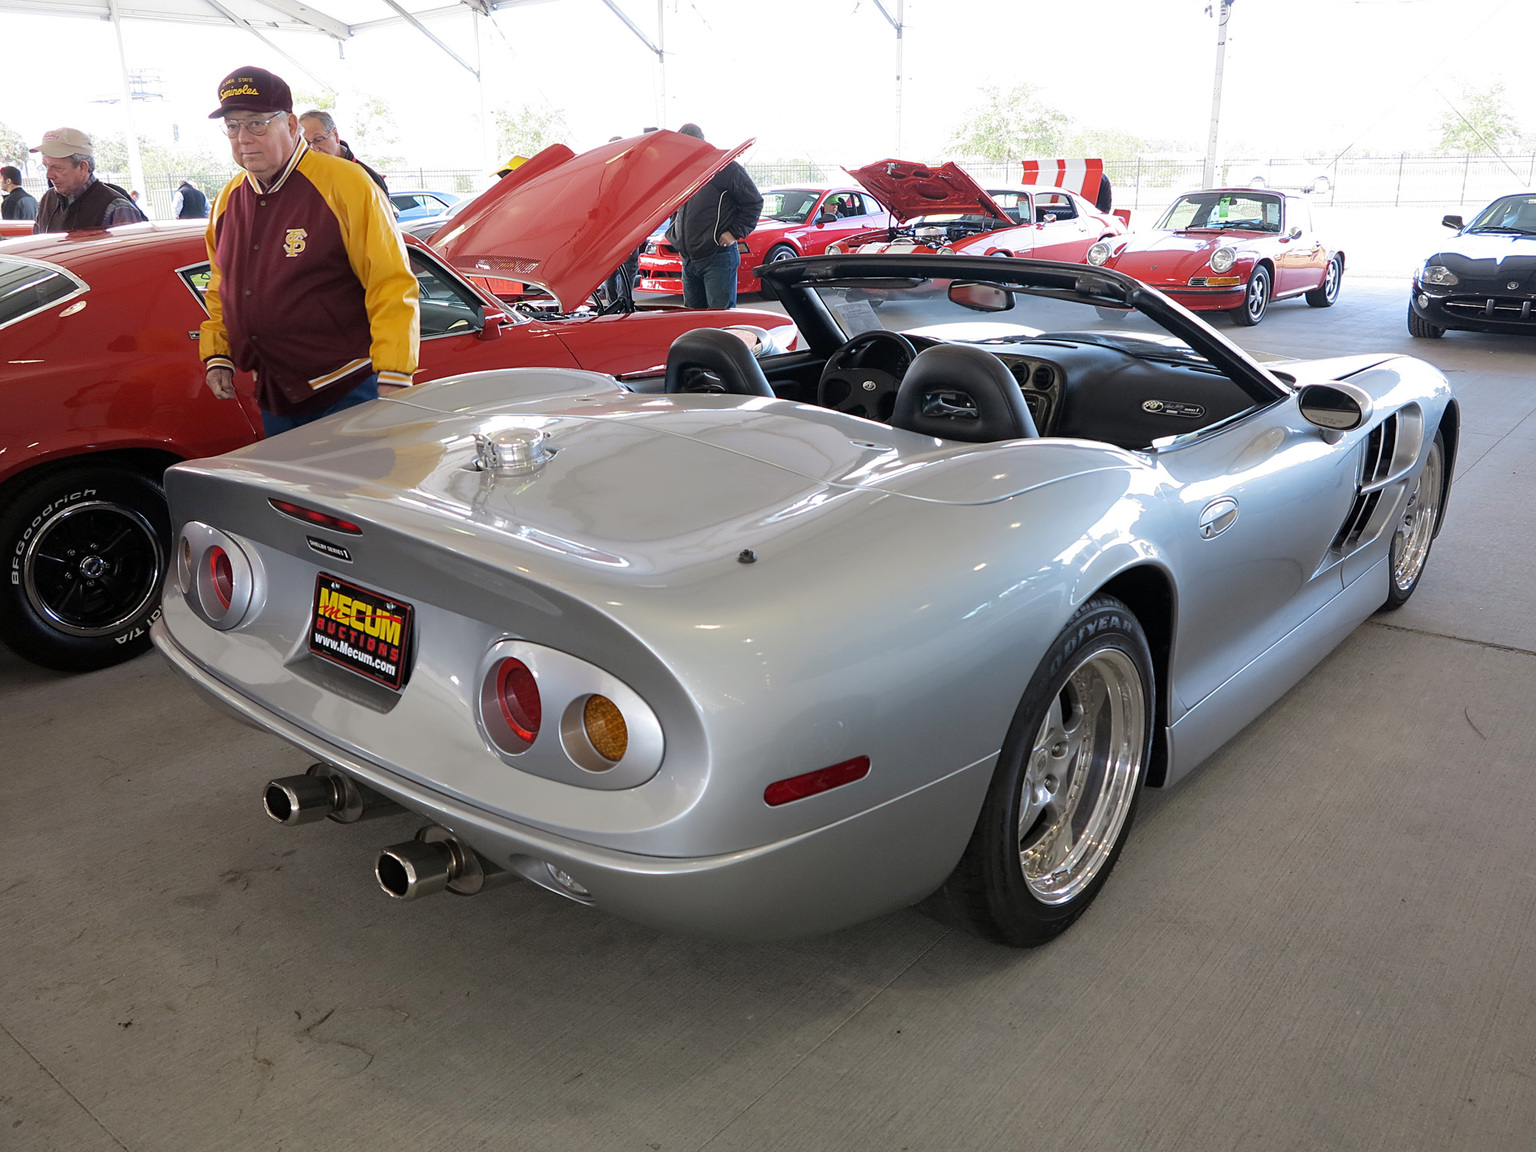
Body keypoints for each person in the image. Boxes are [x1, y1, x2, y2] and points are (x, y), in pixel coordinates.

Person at [200, 66, 419, 436]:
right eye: (233, 126)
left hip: (349, 390)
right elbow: (221, 286)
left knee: (354, 492)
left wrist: (395, 371)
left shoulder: (347, 183)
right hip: (274, 392)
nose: (243, 138)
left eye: (256, 123)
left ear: (289, 125)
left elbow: (390, 281)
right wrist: (217, 353)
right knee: (294, 495)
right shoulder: (227, 199)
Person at [664, 122, 761, 309]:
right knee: (693, 323)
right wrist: (675, 230)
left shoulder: (725, 169)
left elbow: (754, 202)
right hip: (689, 259)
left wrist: (734, 233)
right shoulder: (684, 172)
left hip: (718, 258)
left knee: (720, 322)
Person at [30, 128, 146, 233]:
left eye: (57, 168)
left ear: (83, 167)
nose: (49, 175)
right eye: (46, 167)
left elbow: (130, 254)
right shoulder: (47, 200)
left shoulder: (115, 207)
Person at [298, 109, 390, 196]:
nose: (312, 148)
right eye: (306, 143)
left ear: (335, 135)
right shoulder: (301, 177)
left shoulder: (369, 178)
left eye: (318, 140)